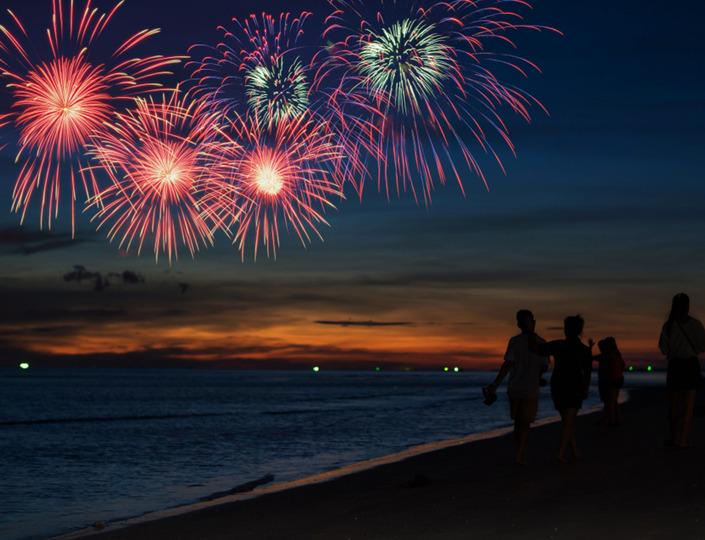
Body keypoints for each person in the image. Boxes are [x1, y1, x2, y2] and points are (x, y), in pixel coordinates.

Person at [485, 310, 549, 465]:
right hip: (529, 389)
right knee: (524, 424)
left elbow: (507, 365)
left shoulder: (514, 341)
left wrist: (495, 384)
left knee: (518, 423)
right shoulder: (542, 343)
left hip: (515, 388)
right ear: (533, 322)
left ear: (518, 324)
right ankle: (519, 455)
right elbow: (544, 367)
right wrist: (539, 377)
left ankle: (518, 452)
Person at [531, 315, 592, 463]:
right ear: (580, 331)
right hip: (575, 387)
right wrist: (585, 388)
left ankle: (574, 450)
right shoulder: (584, 350)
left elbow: (538, 349)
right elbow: (587, 373)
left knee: (567, 421)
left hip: (558, 386)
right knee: (569, 421)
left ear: (568, 330)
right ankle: (560, 454)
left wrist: (531, 334)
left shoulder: (558, 345)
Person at [658, 293, 705, 448]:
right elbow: (701, 347)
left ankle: (673, 437)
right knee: (688, 406)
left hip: (675, 366)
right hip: (690, 366)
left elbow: (664, 349)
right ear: (688, 305)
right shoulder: (696, 324)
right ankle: (683, 440)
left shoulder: (668, 326)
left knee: (673, 405)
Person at [592, 337, 625, 426]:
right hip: (618, 379)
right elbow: (622, 365)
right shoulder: (616, 354)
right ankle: (616, 419)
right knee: (613, 401)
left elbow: (594, 358)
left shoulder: (609, 355)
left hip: (611, 380)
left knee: (609, 402)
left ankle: (611, 421)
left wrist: (590, 348)